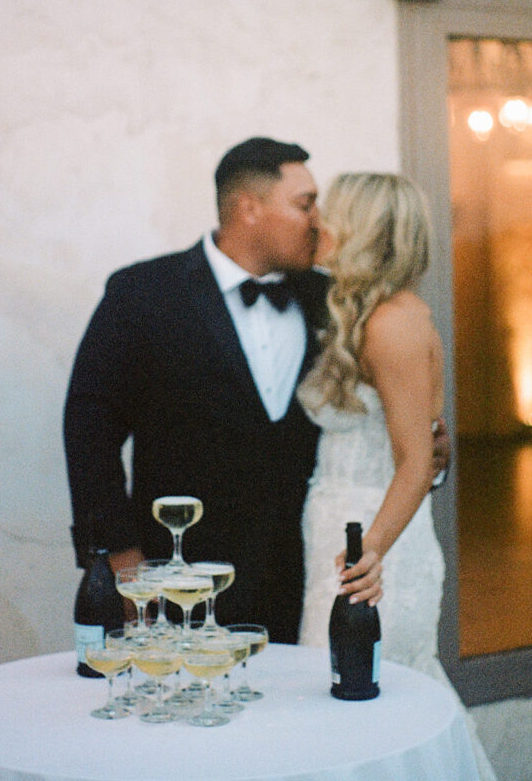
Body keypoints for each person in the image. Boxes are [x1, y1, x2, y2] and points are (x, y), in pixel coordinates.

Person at [64, 138, 380, 644]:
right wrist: (117, 554)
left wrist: (432, 451)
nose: (320, 220)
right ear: (248, 208)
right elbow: (89, 427)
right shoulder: (143, 294)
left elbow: (379, 419)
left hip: (304, 577)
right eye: (305, 204)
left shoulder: (329, 301)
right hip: (181, 577)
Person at [297, 172, 496, 781]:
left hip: (375, 543)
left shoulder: (391, 324)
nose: (316, 223)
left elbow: (415, 461)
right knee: (341, 698)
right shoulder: (362, 313)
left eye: (329, 213)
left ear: (362, 231)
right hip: (343, 530)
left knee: (367, 702)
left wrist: (370, 555)